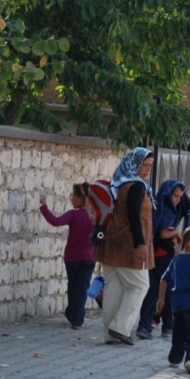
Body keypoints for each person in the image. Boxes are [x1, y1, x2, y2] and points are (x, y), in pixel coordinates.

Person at [93, 147, 155, 346]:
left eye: (149, 166)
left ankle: (110, 334)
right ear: (134, 163)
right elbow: (134, 217)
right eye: (143, 165)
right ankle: (120, 327)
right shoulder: (136, 186)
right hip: (128, 244)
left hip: (111, 242)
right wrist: (140, 244)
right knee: (140, 285)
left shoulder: (118, 182)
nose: (146, 170)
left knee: (115, 287)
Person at [137, 180, 190, 340]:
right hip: (162, 257)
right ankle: (167, 326)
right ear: (168, 194)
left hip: (154, 255)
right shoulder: (166, 209)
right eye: (175, 196)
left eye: (180, 197)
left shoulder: (158, 206)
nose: (178, 200)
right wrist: (175, 233)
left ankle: (145, 326)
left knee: (152, 291)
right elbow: (162, 233)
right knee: (165, 292)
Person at [39, 183, 95, 329]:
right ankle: (77, 317)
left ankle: (73, 315)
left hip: (72, 258)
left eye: (73, 196)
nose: (71, 199)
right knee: (82, 287)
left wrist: (44, 207)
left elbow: (55, 221)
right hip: (89, 257)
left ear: (81, 198)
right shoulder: (95, 216)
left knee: (73, 287)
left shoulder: (73, 214)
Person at [158, 225, 190, 375]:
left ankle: (174, 358)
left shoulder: (175, 260)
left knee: (178, 331)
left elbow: (163, 280)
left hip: (177, 305)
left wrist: (161, 300)